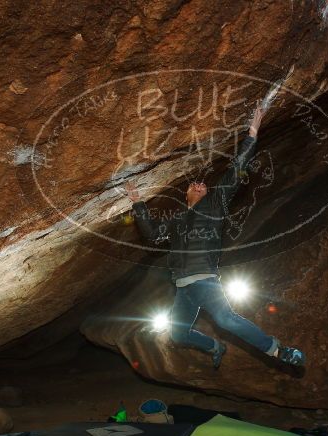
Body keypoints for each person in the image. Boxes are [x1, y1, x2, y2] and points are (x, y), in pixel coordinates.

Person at [124, 104, 304, 370]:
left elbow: (236, 169)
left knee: (226, 320)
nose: (200, 185)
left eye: (204, 185)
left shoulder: (215, 203)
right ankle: (215, 347)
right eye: (194, 184)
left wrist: (252, 133)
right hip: (183, 289)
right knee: (177, 334)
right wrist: (138, 203)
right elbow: (152, 235)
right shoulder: (175, 221)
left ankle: (279, 351)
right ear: (186, 194)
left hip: (206, 282)